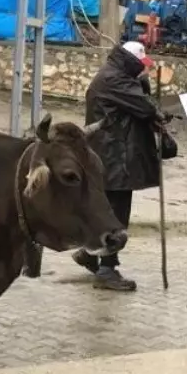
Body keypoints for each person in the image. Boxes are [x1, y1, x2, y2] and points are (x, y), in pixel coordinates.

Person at [73, 40, 165, 291]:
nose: (143, 70)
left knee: (108, 209)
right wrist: (149, 95)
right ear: (132, 61)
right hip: (115, 157)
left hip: (109, 154)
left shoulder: (111, 75)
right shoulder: (117, 80)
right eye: (141, 65)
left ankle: (90, 254)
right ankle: (107, 268)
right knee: (116, 214)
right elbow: (146, 108)